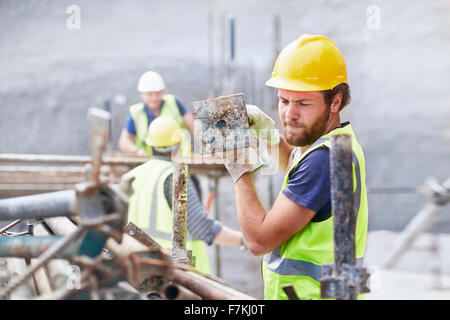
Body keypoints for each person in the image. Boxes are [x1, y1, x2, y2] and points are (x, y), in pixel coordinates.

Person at [219, 34, 368, 299]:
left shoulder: (323, 161)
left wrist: (239, 168)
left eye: (303, 103)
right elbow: (294, 165)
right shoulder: (337, 144)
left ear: (335, 101)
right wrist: (268, 133)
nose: (289, 114)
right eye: (284, 101)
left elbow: (258, 241)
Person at [120, 115, 243, 275]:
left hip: (138, 272)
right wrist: (244, 240)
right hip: (174, 276)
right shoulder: (176, 177)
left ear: (150, 144)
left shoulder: (131, 176)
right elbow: (202, 228)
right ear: (178, 145)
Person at [118, 70, 194, 156]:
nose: (154, 98)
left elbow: (194, 128)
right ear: (142, 94)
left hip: (180, 161)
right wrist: (136, 150)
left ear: (162, 91)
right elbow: (124, 141)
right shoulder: (135, 112)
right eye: (150, 94)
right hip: (150, 163)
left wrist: (206, 146)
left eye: (157, 94)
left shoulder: (174, 103)